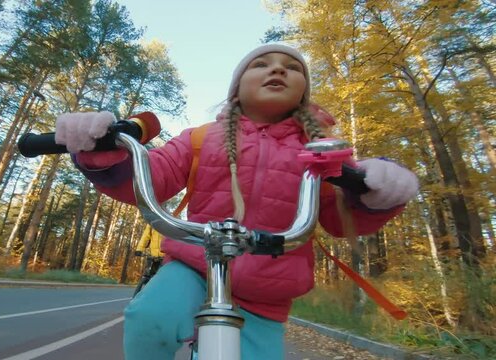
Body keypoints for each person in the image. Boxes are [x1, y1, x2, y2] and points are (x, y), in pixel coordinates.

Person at [54, 44, 419, 360]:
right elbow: (151, 176)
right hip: (195, 265)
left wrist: (377, 189)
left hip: (269, 286)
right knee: (150, 317)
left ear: (304, 91)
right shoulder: (201, 138)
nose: (277, 69)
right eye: (261, 64)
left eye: (292, 68)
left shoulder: (320, 151)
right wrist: (102, 150)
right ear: (237, 88)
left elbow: (342, 216)